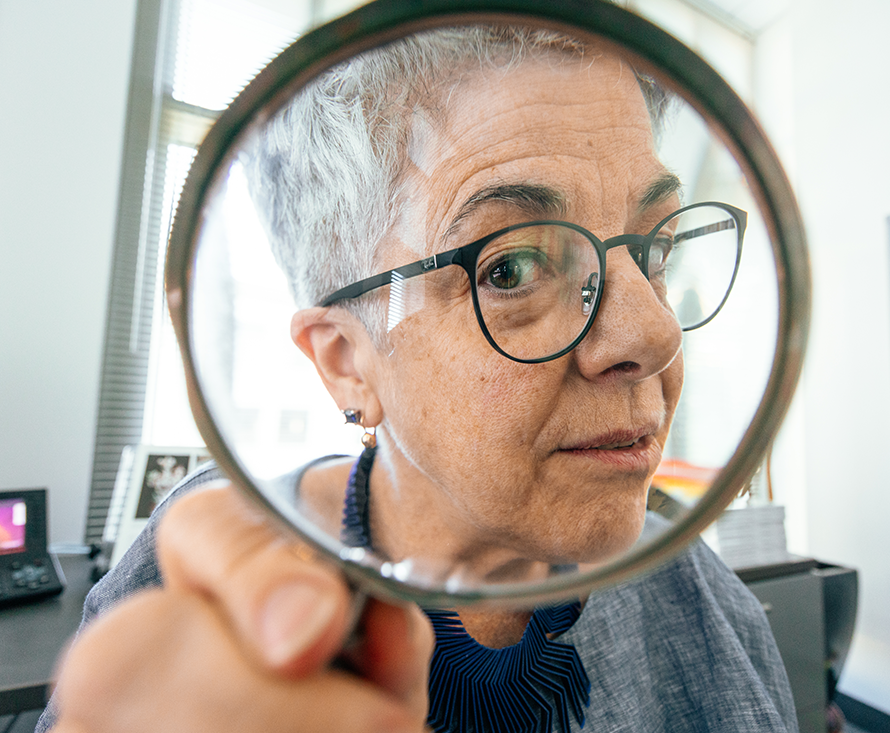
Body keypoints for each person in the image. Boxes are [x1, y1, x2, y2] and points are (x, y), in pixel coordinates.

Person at [41, 25, 799, 733]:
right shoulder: (190, 597)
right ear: (345, 362)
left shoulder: (708, 605)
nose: (654, 333)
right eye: (513, 267)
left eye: (656, 249)